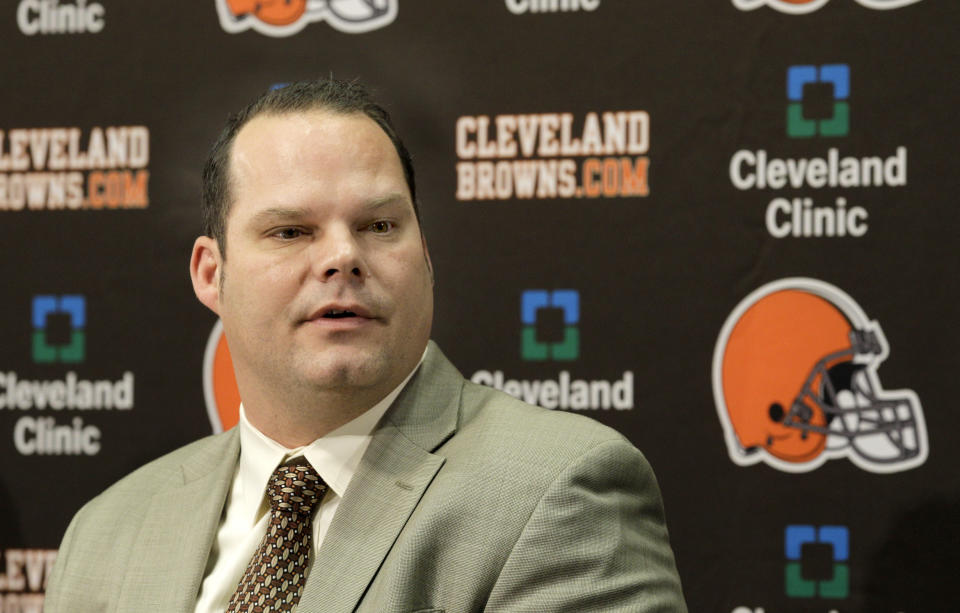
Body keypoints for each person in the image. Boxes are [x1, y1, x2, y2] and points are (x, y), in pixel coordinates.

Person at [44, 78, 687, 612]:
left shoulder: (560, 490)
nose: (344, 256)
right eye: (291, 231)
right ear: (213, 274)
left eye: (379, 225)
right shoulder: (105, 533)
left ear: (426, 257)